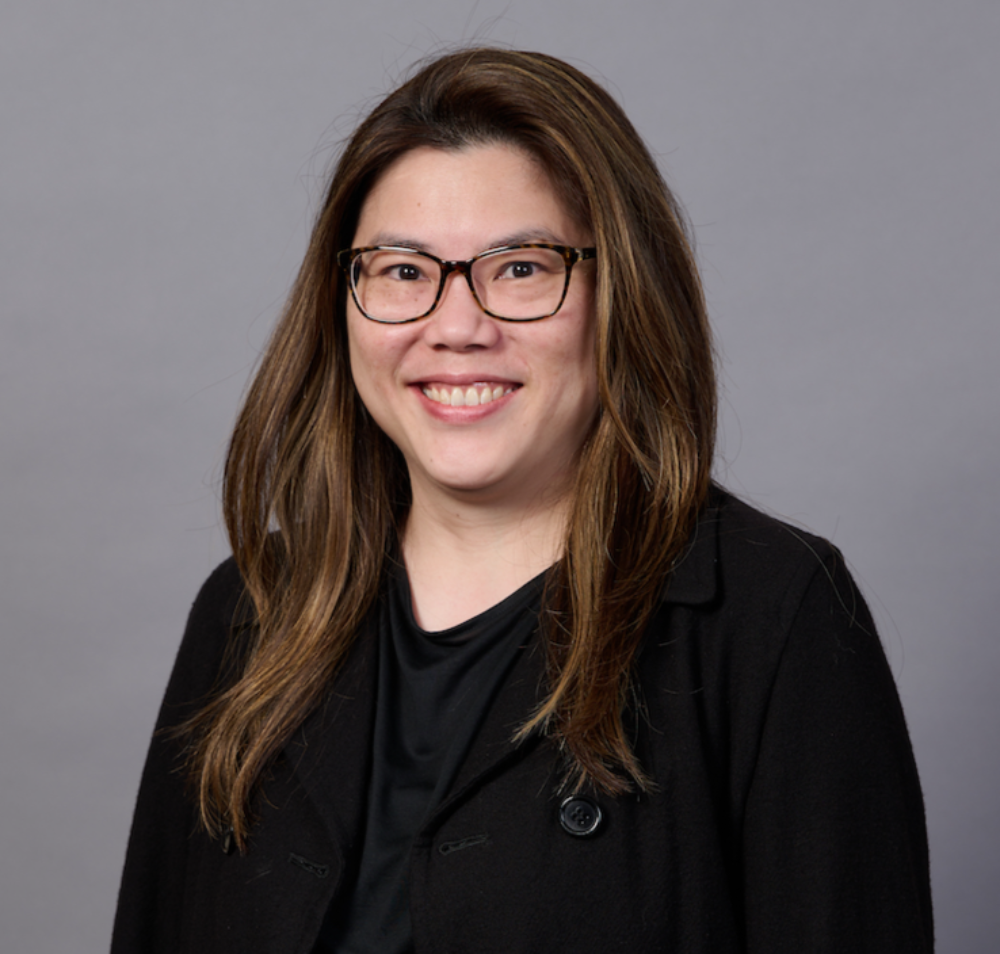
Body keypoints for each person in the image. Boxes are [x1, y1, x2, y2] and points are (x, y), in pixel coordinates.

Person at [111, 48, 933, 953]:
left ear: (622, 291)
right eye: (402, 270)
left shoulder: (774, 617)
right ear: (341, 299)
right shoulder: (250, 609)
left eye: (521, 268)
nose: (456, 327)